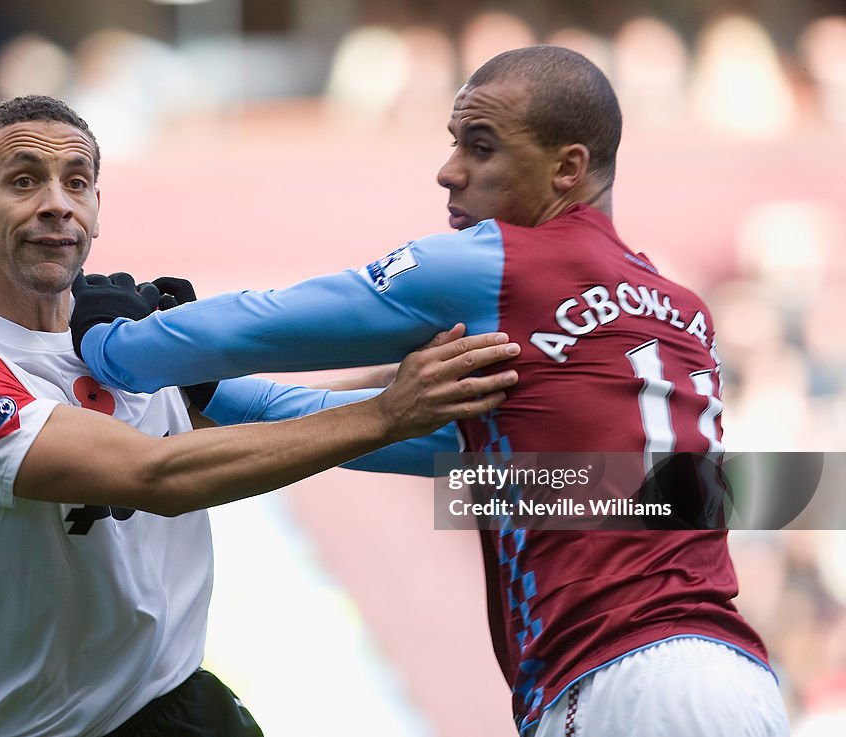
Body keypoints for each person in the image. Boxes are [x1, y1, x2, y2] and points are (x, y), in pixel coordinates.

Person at [71, 47, 790, 735]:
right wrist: (213, 391)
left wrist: (113, 344)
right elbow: (362, 431)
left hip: (623, 679)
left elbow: (269, 321)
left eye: (480, 146)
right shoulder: (678, 314)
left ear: (567, 167)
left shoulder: (500, 266)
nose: (449, 172)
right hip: (742, 678)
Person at [0, 95, 521, 737]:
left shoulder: (125, 337)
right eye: (24, 181)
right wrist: (388, 412)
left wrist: (410, 380)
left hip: (184, 707)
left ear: (97, 210)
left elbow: (272, 422)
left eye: (77, 183)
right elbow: (156, 477)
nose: (56, 203)